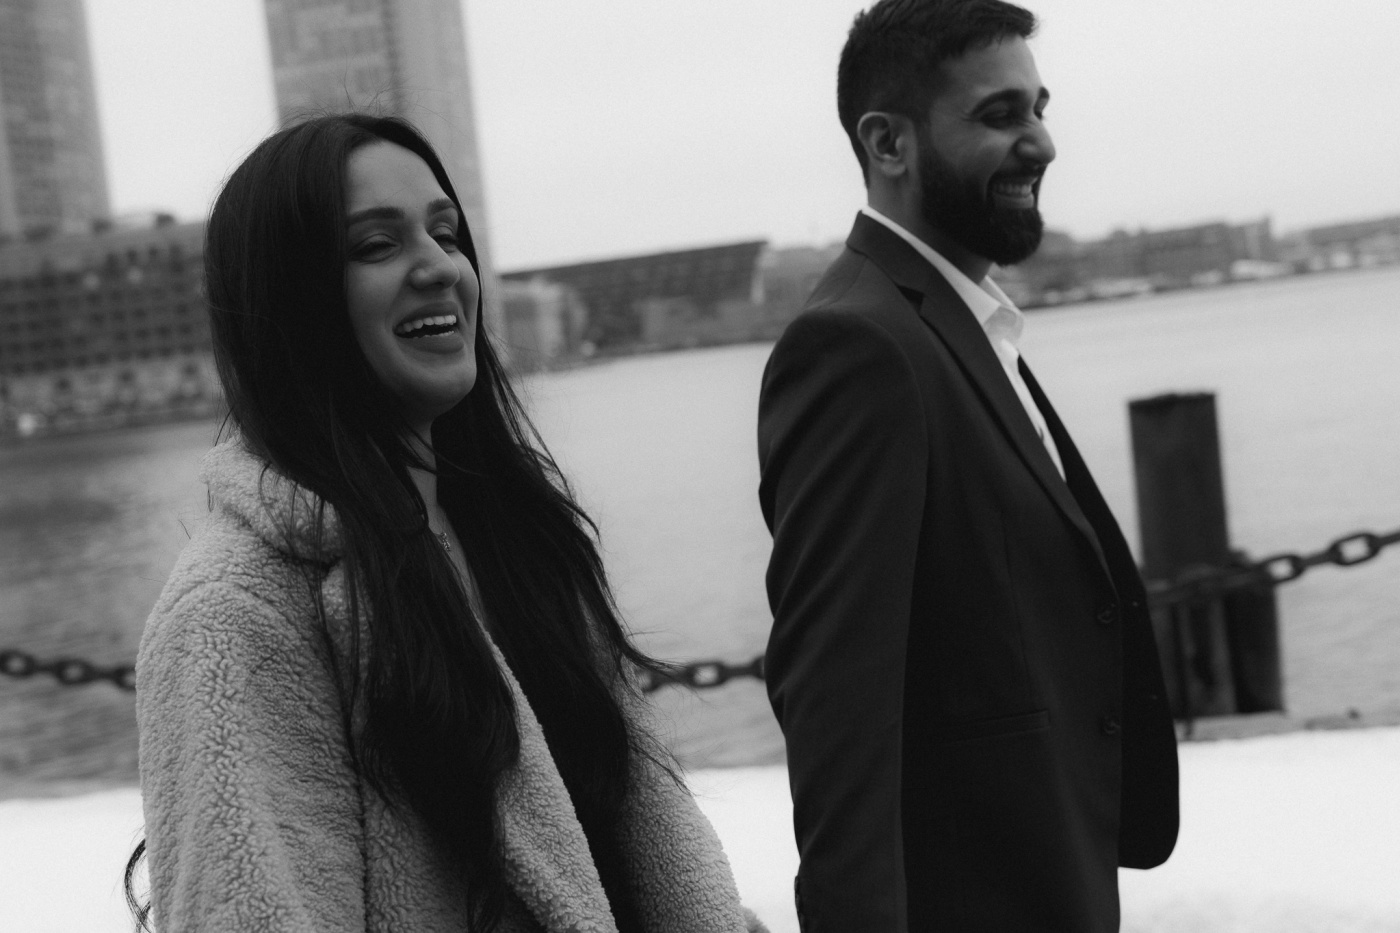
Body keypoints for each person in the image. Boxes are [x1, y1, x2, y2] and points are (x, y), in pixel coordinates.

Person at [131, 113, 756, 933]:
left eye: (445, 232)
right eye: (376, 245)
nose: (438, 267)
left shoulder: (513, 537)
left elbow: (630, 847)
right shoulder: (234, 613)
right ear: (288, 301)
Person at [756, 2, 1180, 931]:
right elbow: (838, 712)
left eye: (1039, 107)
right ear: (889, 144)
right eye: (1000, 116)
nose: (1042, 143)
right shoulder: (856, 346)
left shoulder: (958, 324)